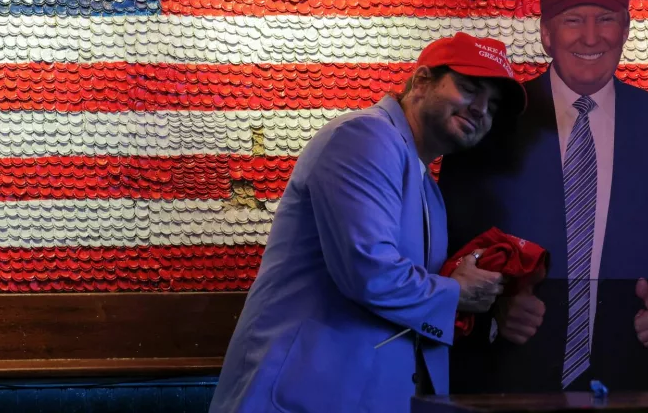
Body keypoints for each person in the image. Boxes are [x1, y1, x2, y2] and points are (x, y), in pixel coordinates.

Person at [439, 0, 648, 392]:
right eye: (573, 20)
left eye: (606, 18)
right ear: (547, 34)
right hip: (507, 388)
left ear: (626, 28)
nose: (591, 37)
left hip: (629, 386)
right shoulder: (491, 122)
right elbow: (447, 247)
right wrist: (492, 309)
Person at [209, 32, 528, 413]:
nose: (480, 110)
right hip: (303, 398)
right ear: (422, 82)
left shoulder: (425, 183)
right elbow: (369, 271)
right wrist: (455, 293)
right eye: (468, 88)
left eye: (492, 106)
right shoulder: (364, 135)